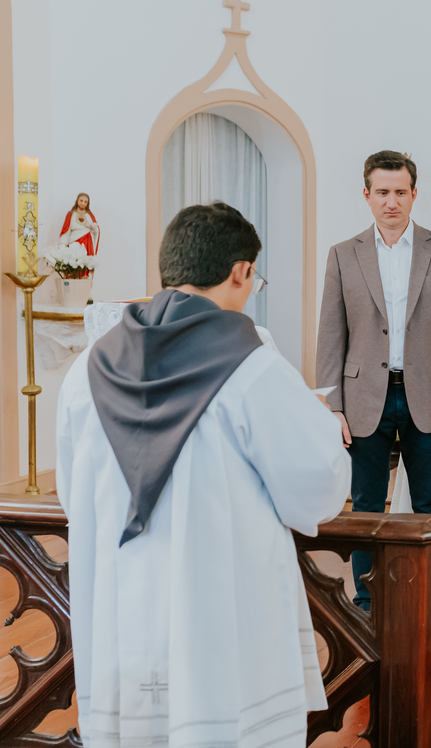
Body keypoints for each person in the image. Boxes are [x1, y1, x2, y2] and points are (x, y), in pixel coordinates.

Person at [57, 203, 350, 748]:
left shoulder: (87, 369)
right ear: (240, 272)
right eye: (254, 278)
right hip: (220, 624)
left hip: (122, 614)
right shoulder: (252, 365)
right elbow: (317, 489)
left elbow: (74, 494)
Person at [316, 150, 431, 656]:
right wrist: (333, 405)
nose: (391, 200)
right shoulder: (343, 254)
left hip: (428, 395)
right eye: (381, 192)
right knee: (364, 508)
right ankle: (367, 608)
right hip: (364, 399)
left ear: (414, 194)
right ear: (366, 195)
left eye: (400, 191)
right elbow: (331, 334)